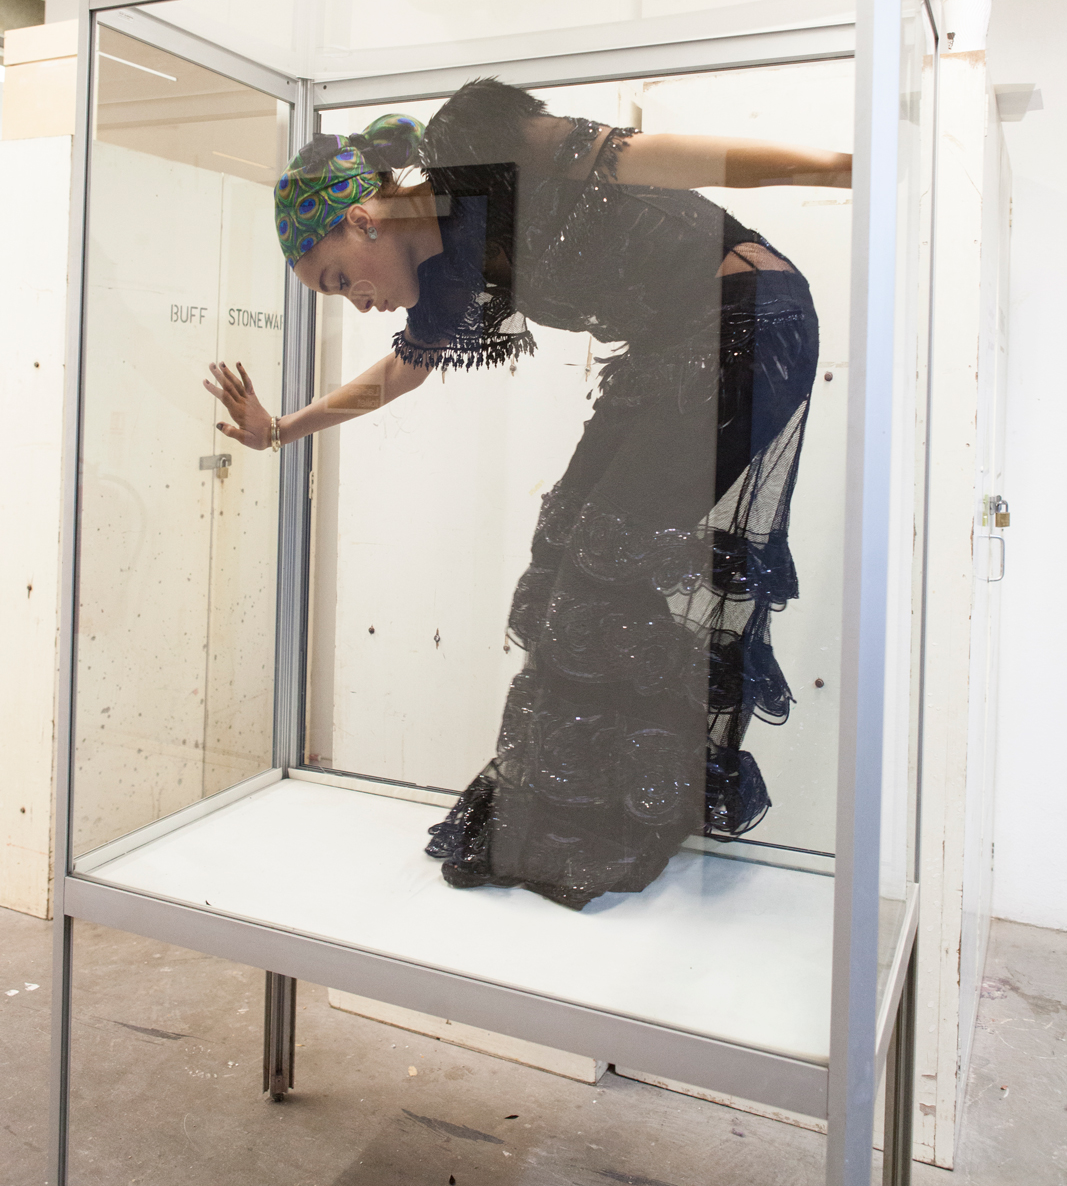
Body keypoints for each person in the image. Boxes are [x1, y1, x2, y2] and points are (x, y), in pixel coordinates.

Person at [205, 80, 849, 911]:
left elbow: (665, 158)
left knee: (602, 570)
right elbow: (404, 369)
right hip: (664, 348)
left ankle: (611, 820)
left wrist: (839, 169)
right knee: (565, 567)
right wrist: (284, 429)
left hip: (751, 320)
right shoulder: (445, 267)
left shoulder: (477, 153)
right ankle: (586, 808)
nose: (356, 302)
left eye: (337, 279)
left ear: (363, 220)